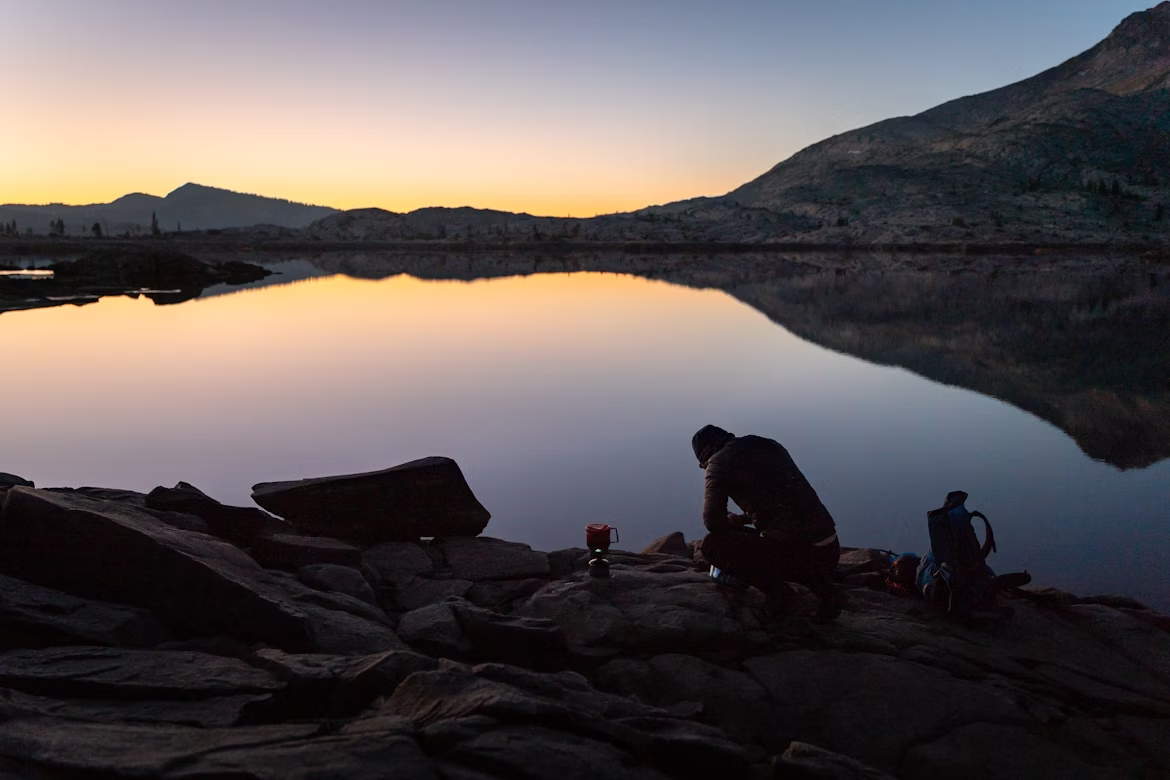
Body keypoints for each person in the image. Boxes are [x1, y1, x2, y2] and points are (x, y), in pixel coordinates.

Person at [692, 424, 845, 621]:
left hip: (800, 556)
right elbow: (786, 502)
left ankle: (782, 596)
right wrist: (743, 519)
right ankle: (825, 591)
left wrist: (729, 523)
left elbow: (713, 523)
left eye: (702, 464)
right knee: (786, 540)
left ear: (705, 453)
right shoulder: (768, 444)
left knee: (714, 545)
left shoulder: (718, 462)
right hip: (829, 550)